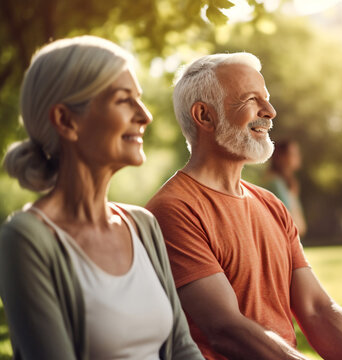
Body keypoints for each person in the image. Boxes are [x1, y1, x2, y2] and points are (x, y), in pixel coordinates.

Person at [146, 52, 342, 360]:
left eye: (266, 99)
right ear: (204, 116)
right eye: (252, 99)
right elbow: (226, 330)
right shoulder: (174, 210)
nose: (270, 111)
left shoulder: (271, 205)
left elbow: (317, 308)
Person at [0, 36, 202, 359]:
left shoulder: (143, 225)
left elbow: (182, 348)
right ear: (66, 121)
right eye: (124, 100)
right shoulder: (26, 240)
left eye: (139, 98)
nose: (145, 115)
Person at [265, 139, 307, 236]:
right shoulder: (274, 183)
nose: (298, 157)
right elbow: (291, 222)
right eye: (293, 154)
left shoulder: (287, 184)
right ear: (281, 157)